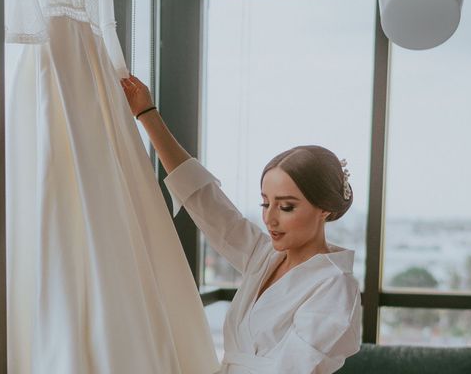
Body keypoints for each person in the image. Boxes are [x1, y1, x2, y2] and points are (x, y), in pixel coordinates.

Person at [120, 74, 362, 374]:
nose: (270, 218)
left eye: (286, 206)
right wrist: (147, 115)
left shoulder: (335, 286)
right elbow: (205, 200)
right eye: (265, 202)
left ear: (324, 208)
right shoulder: (264, 256)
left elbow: (295, 368)